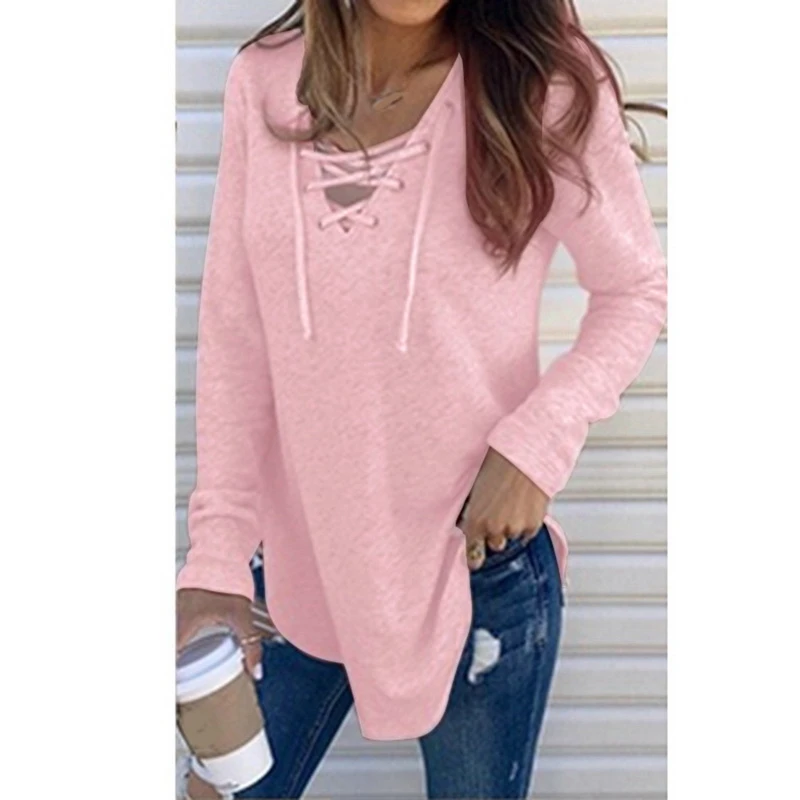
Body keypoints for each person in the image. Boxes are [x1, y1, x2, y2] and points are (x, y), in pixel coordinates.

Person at [176, 1, 667, 797]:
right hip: (297, 570)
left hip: (475, 571)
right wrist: (216, 552)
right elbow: (237, 337)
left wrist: (536, 445)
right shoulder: (262, 84)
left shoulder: (539, 87)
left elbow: (635, 290)